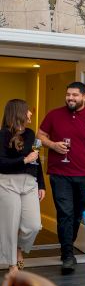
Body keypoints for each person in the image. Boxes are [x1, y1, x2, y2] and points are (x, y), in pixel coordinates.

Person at [37, 82, 85, 274]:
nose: (70, 98)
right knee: (65, 213)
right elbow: (39, 136)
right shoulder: (54, 115)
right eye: (68, 95)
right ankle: (67, 254)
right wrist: (52, 145)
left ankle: (68, 245)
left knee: (76, 215)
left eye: (75, 95)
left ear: (84, 97)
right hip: (60, 175)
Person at [0, 99, 45, 272]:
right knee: (9, 225)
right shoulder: (2, 135)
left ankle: (19, 248)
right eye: (28, 110)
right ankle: (12, 264)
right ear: (18, 112)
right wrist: (24, 160)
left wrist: (41, 185)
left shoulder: (30, 133)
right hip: (8, 182)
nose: (30, 113)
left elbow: (37, 160)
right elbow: (1, 163)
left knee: (33, 225)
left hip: (30, 183)